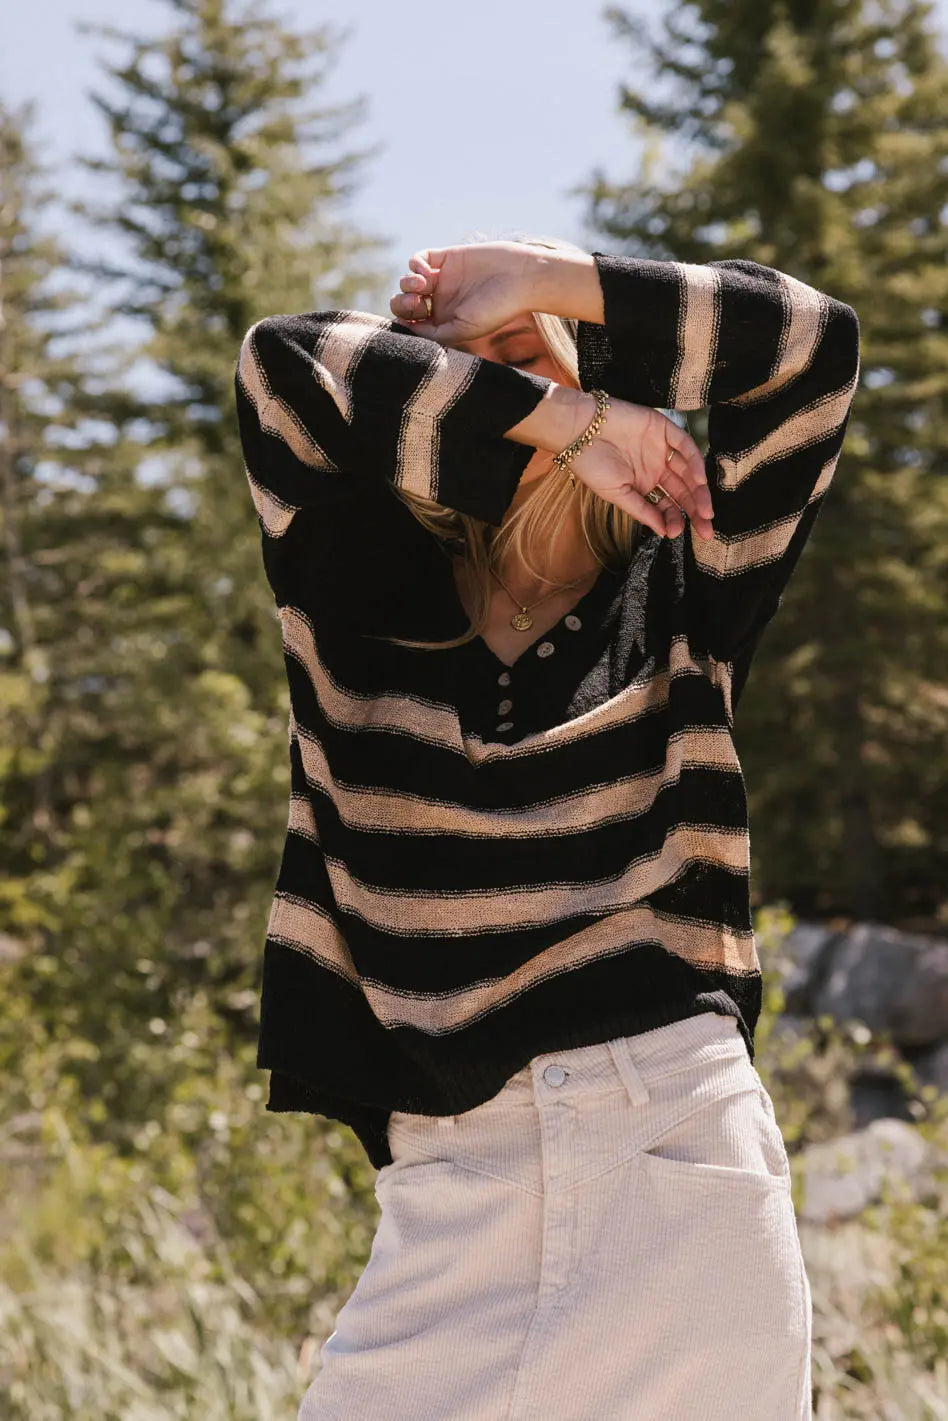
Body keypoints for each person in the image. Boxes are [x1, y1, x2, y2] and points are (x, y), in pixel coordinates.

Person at [234, 231, 860, 1420]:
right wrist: (571, 420)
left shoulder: (689, 583)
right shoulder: (354, 593)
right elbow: (288, 367)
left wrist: (545, 279)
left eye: (530, 363)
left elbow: (813, 346)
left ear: (593, 367)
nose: (504, 396)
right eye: (472, 378)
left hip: (677, 1152)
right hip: (449, 1192)